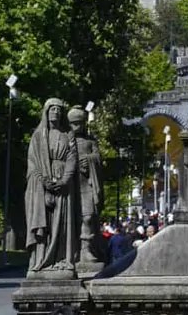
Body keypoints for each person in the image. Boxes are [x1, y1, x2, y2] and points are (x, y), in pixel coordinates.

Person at [25, 98, 78, 277]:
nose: (55, 112)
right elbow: (32, 163)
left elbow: (72, 159)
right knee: (44, 224)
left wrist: (64, 180)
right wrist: (43, 181)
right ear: (46, 112)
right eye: (52, 109)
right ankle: (40, 260)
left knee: (62, 224)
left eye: (58, 109)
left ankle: (62, 260)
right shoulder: (38, 136)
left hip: (63, 184)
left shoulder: (68, 135)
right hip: (42, 185)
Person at [67, 106, 103, 265]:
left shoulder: (90, 141)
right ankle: (72, 249)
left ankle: (86, 248)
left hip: (86, 184)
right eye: (74, 124)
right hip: (70, 185)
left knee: (88, 216)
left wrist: (89, 160)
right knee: (71, 218)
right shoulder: (66, 141)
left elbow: (98, 158)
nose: (77, 127)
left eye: (80, 123)